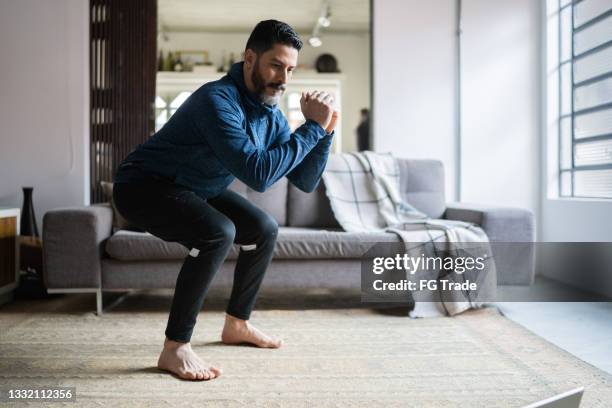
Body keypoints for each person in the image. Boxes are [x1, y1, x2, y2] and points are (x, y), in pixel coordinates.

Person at [112, 20, 338, 381]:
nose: (284, 78)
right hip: (144, 185)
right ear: (250, 58)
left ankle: (237, 325)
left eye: (290, 69)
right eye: (276, 65)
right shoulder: (216, 100)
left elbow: (304, 181)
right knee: (218, 231)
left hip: (195, 187)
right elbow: (259, 174)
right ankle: (175, 348)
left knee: (263, 228)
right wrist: (310, 128)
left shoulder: (271, 115)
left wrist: (324, 132)